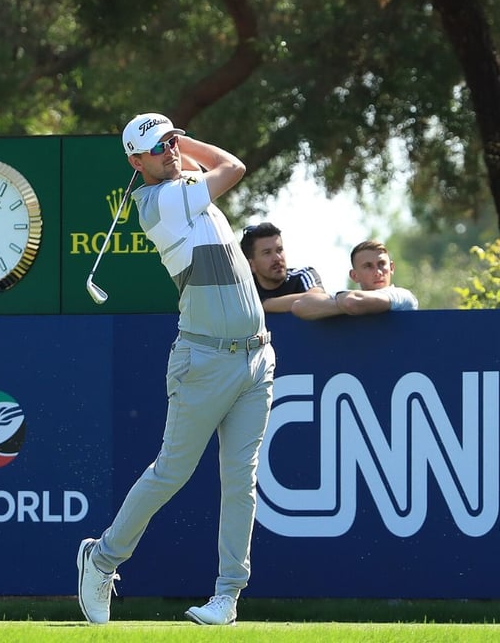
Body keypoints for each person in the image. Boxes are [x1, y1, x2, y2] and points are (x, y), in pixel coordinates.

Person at [77, 113, 274, 627]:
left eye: (172, 141)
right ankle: (101, 559)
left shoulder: (186, 189)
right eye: (158, 146)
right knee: (171, 472)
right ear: (135, 162)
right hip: (203, 360)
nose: (170, 150)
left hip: (256, 358)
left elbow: (209, 171)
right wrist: (185, 143)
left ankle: (227, 596)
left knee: (242, 481)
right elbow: (233, 166)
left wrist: (172, 144)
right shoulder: (158, 201)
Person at [291, 239, 418, 318]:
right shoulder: (343, 297)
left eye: (381, 264)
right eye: (368, 266)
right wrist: (347, 306)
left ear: (391, 268)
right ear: (354, 276)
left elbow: (351, 302)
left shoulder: (403, 296)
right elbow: (300, 306)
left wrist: (332, 307)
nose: (378, 272)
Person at [240, 222, 325, 313]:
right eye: (267, 253)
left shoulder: (302, 275)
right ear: (251, 265)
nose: (277, 258)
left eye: (279, 250)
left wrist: (263, 305)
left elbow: (318, 298)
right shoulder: (244, 292)